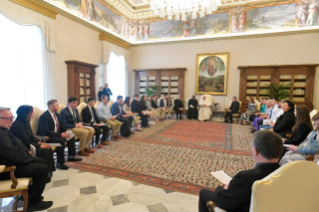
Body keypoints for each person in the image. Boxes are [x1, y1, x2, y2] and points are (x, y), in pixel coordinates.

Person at [199, 130, 282, 212]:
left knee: (203, 193)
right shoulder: (285, 173)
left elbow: (222, 202)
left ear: (255, 151)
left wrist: (223, 189)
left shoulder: (246, 178)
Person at [0, 107, 53, 211]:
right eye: (8, 118)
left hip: (13, 162)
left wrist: (27, 153)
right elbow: (12, 154)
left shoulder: (5, 130)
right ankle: (33, 203)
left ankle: (29, 194)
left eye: (12, 117)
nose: (11, 120)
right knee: (43, 169)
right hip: (7, 169)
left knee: (41, 161)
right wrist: (29, 157)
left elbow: (19, 143)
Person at [10, 105, 55, 180]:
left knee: (48, 149)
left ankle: (49, 172)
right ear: (26, 113)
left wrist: (39, 142)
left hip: (31, 145)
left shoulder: (26, 122)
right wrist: (40, 146)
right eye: (31, 112)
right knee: (45, 151)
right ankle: (44, 175)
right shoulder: (18, 125)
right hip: (25, 148)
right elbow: (25, 142)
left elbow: (31, 136)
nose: (33, 113)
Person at [38, 100, 82, 169]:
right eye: (57, 105)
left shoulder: (57, 114)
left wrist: (66, 131)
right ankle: (60, 163)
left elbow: (61, 126)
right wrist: (60, 135)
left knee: (71, 135)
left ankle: (71, 156)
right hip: (48, 137)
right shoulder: (44, 117)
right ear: (52, 107)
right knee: (61, 141)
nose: (58, 107)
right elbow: (46, 131)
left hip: (57, 134)